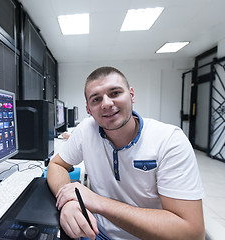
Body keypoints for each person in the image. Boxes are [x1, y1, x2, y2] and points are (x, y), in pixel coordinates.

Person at [46, 66, 205, 240]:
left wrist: (98, 202)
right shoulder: (86, 130)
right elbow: (56, 164)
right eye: (96, 99)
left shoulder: (169, 140)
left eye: (114, 93)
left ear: (131, 95)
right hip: (97, 233)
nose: (106, 103)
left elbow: (192, 234)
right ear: (88, 109)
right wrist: (68, 200)